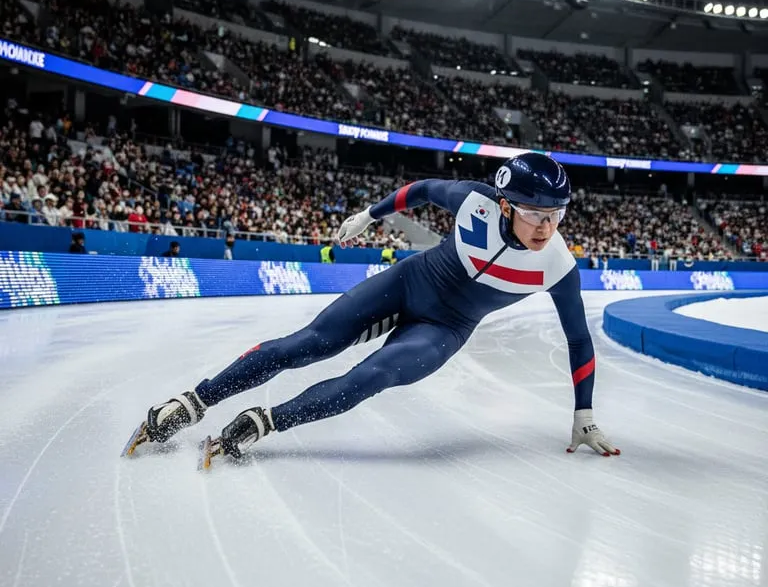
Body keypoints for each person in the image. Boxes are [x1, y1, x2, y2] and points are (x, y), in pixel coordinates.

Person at [123, 153, 619, 467]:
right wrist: (370, 215)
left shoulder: (557, 264)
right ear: (505, 205)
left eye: (557, 216)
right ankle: (195, 401)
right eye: (535, 214)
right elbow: (423, 189)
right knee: (306, 345)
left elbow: (578, 338)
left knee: (372, 376)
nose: (546, 227)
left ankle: (267, 421)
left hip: (446, 327)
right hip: (410, 283)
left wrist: (585, 412)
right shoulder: (475, 201)